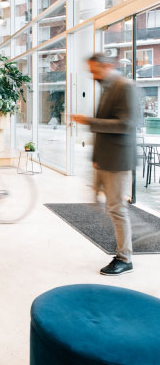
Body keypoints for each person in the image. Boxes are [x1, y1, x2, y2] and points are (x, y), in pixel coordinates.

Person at [72, 53, 137, 276]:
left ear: (108, 66)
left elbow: (127, 124)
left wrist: (88, 121)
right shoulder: (109, 87)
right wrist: (97, 157)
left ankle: (124, 258)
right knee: (110, 207)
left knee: (118, 209)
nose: (93, 75)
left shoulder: (124, 87)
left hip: (118, 160)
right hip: (106, 158)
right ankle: (123, 250)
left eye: (95, 71)